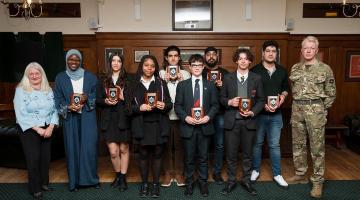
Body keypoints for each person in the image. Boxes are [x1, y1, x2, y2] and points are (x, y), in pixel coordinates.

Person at [288, 36, 336, 198]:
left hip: (315, 109)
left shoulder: (325, 69)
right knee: (298, 143)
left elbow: (331, 93)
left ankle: (317, 181)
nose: (308, 50)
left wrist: (322, 110)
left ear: (316, 50)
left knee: (317, 148)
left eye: (311, 48)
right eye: (305, 48)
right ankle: (300, 174)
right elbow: (294, 89)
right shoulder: (295, 68)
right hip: (297, 109)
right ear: (301, 50)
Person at [220, 48, 265, 196]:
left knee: (247, 155)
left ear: (250, 61)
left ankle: (246, 181)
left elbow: (261, 100)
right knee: (231, 154)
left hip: (249, 121)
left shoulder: (256, 78)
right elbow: (221, 99)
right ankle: (231, 181)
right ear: (236, 61)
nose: (243, 61)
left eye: (246, 58)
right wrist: (229, 102)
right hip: (232, 121)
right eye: (240, 58)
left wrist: (253, 112)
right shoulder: (227, 78)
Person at [54, 49, 99, 191]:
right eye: (70, 59)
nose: (73, 62)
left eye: (76, 60)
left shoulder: (90, 77)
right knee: (72, 149)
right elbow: (58, 99)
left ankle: (91, 180)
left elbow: (97, 96)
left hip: (88, 117)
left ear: (80, 61)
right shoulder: (60, 77)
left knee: (88, 148)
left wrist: (88, 98)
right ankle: (74, 182)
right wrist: (68, 107)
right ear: (66, 61)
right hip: (70, 119)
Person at [127, 55, 172, 198]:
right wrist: (139, 108)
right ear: (142, 66)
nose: (149, 68)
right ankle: (144, 184)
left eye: (152, 66)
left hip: (159, 124)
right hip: (141, 125)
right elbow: (127, 108)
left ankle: (155, 185)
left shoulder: (161, 83)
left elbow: (170, 103)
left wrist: (164, 105)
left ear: (155, 68)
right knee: (143, 156)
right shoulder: (133, 83)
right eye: (146, 65)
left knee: (158, 155)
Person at [175, 54, 219, 197]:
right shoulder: (182, 85)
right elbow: (178, 106)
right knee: (188, 158)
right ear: (189, 67)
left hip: (205, 127)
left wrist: (207, 117)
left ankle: (203, 183)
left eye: (199, 65)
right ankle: (189, 184)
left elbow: (215, 105)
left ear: (203, 67)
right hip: (188, 127)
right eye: (194, 65)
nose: (197, 68)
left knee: (203, 157)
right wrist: (186, 117)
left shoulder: (210, 85)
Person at [13, 62, 59, 200]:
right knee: (33, 159)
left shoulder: (48, 89)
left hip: (47, 128)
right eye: (31, 74)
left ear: (41, 74)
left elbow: (55, 109)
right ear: (27, 76)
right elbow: (20, 114)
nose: (34, 76)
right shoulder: (21, 90)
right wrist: (38, 129)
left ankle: (44, 183)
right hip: (30, 129)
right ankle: (35, 188)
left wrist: (51, 127)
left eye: (37, 73)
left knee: (45, 159)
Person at [250, 41, 289, 188]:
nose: (271, 53)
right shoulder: (254, 71)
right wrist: (261, 104)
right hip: (259, 114)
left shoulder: (282, 70)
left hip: (276, 115)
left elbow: (286, 88)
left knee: (274, 145)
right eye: (268, 51)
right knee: (257, 144)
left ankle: (277, 174)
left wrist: (283, 98)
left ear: (276, 53)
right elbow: (250, 93)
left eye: (274, 51)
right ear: (263, 53)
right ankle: (255, 170)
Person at [96, 52, 130, 191]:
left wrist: (123, 97)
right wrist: (105, 100)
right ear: (110, 63)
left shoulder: (129, 79)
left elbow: (134, 100)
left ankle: (122, 178)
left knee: (124, 149)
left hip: (124, 117)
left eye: (119, 61)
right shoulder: (103, 80)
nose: (116, 63)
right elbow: (97, 100)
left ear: (122, 63)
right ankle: (117, 175)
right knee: (113, 151)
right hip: (108, 119)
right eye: (113, 61)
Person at [159, 45, 190, 187]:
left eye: (175, 55)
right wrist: (163, 81)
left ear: (179, 57)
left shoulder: (186, 73)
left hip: (181, 116)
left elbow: (190, 94)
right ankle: (167, 173)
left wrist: (182, 80)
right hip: (164, 115)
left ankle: (178, 172)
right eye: (170, 55)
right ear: (166, 57)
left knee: (179, 146)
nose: (173, 58)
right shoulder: (160, 73)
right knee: (165, 146)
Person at [202, 46, 228, 184]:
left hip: (221, 114)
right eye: (208, 54)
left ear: (217, 56)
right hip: (203, 114)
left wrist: (223, 85)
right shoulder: (200, 72)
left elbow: (232, 92)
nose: (211, 56)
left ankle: (217, 172)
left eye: (214, 54)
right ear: (205, 57)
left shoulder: (225, 73)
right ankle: (203, 172)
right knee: (203, 144)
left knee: (219, 144)